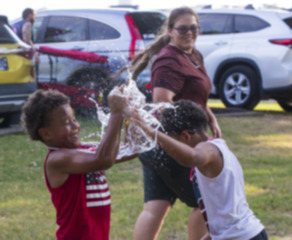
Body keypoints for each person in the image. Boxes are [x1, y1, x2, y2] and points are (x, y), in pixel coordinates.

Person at [128, 7, 221, 240]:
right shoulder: (169, 61)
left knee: (155, 208)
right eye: (182, 29)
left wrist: (211, 118)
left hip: (157, 146)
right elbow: (162, 104)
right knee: (205, 203)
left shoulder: (192, 55)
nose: (189, 33)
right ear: (170, 31)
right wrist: (186, 139)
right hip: (173, 145)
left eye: (193, 28)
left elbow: (193, 97)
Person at [131, 99, 268, 240]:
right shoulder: (220, 149)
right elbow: (226, 210)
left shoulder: (210, 150)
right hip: (244, 234)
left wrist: (152, 133)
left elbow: (192, 157)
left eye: (175, 143)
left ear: (186, 136)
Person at [21, 87, 128, 240]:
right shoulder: (57, 159)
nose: (75, 126)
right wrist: (116, 114)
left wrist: (130, 116)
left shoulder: (84, 149)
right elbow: (104, 159)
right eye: (66, 122)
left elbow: (129, 150)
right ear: (46, 133)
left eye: (74, 119)